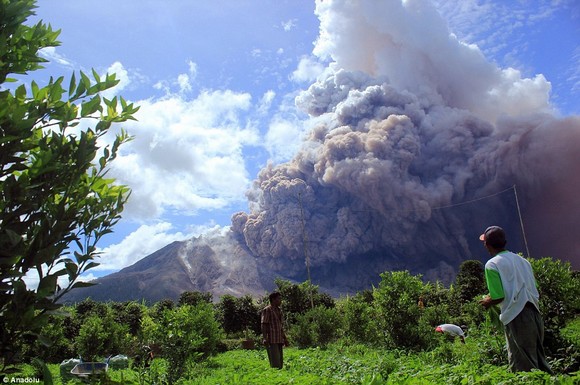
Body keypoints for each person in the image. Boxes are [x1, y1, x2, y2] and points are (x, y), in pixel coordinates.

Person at [478, 225, 552, 373]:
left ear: (486, 244)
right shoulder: (524, 261)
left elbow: (498, 296)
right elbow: (532, 288)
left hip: (517, 316)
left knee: (523, 366)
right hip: (535, 315)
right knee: (539, 362)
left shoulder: (492, 264)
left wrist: (487, 301)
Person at [261, 291, 288, 369]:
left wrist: (285, 339)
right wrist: (265, 338)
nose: (280, 301)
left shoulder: (279, 310)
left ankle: (280, 378)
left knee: (280, 362)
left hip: (279, 339)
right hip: (271, 339)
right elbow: (264, 324)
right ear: (273, 299)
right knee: (275, 363)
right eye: (279, 299)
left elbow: (280, 326)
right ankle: (275, 377)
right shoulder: (267, 310)